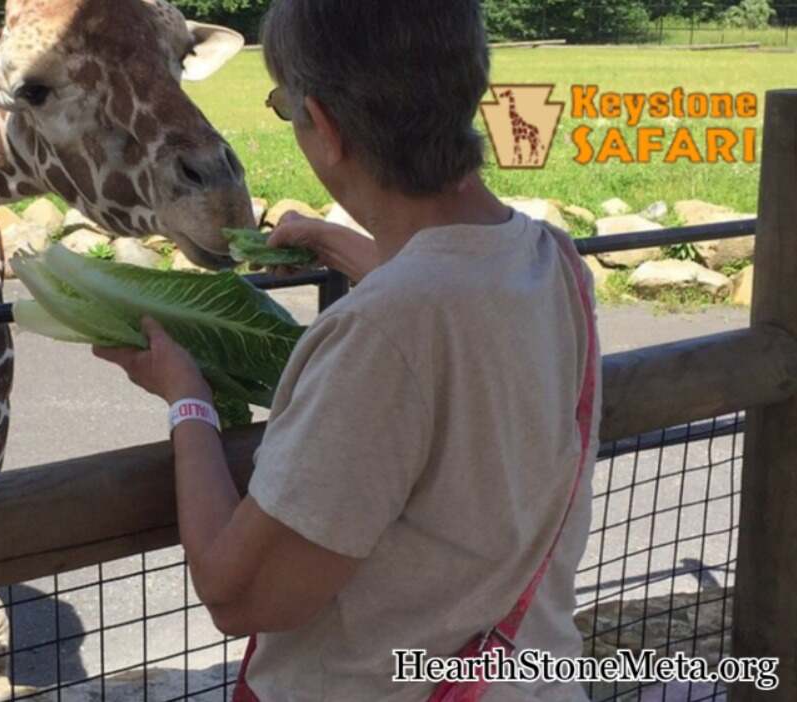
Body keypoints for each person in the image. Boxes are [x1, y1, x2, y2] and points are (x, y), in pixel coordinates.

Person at [93, 1, 600, 700]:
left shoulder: (380, 334)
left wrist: (187, 398)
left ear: (324, 127)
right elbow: (451, 301)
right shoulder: (550, 261)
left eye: (283, 108)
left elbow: (239, 597)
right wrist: (333, 242)